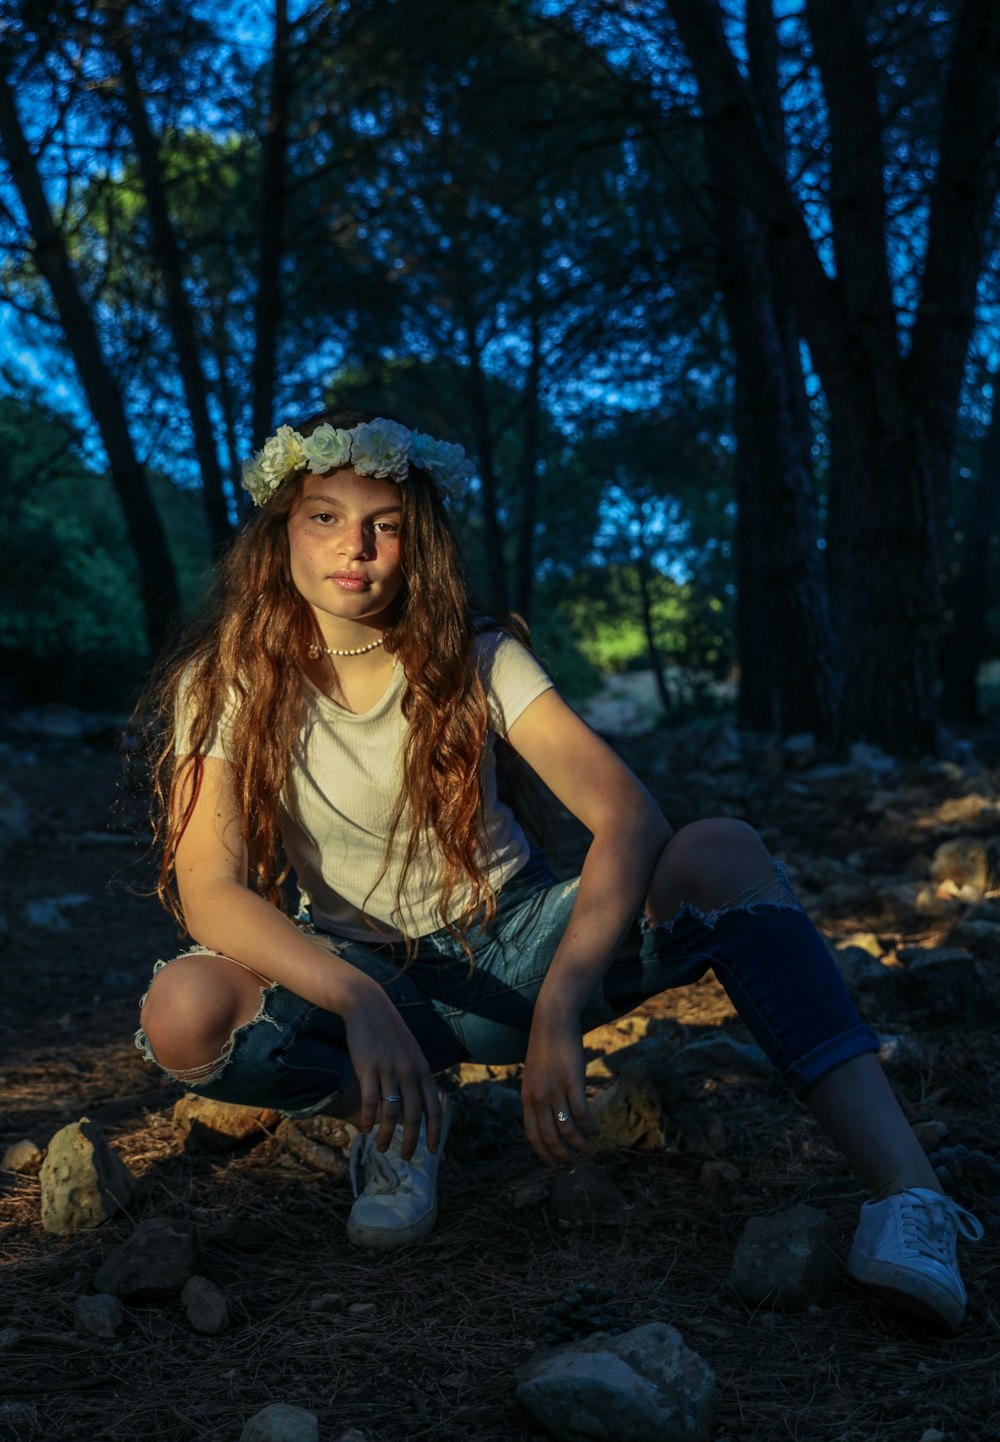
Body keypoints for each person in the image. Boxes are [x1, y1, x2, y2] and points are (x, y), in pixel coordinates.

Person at [135, 408, 982, 1331]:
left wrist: (562, 1003)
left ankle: (908, 1198)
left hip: (517, 950)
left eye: (384, 522)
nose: (357, 546)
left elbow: (628, 816)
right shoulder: (226, 680)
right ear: (280, 535)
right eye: (324, 517)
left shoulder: (479, 656)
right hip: (360, 976)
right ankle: (400, 1123)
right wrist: (360, 1001)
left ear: (418, 538)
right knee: (183, 1012)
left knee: (722, 850)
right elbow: (207, 886)